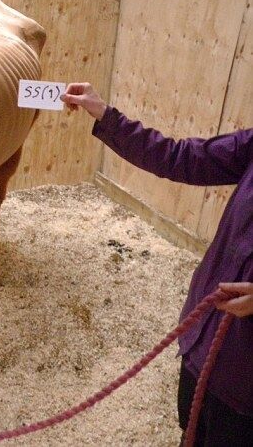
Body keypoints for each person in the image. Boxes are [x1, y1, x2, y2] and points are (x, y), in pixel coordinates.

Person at [60, 83, 253, 446]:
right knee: (191, 430)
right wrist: (106, 116)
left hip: (245, 378)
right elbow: (180, 157)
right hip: (207, 339)